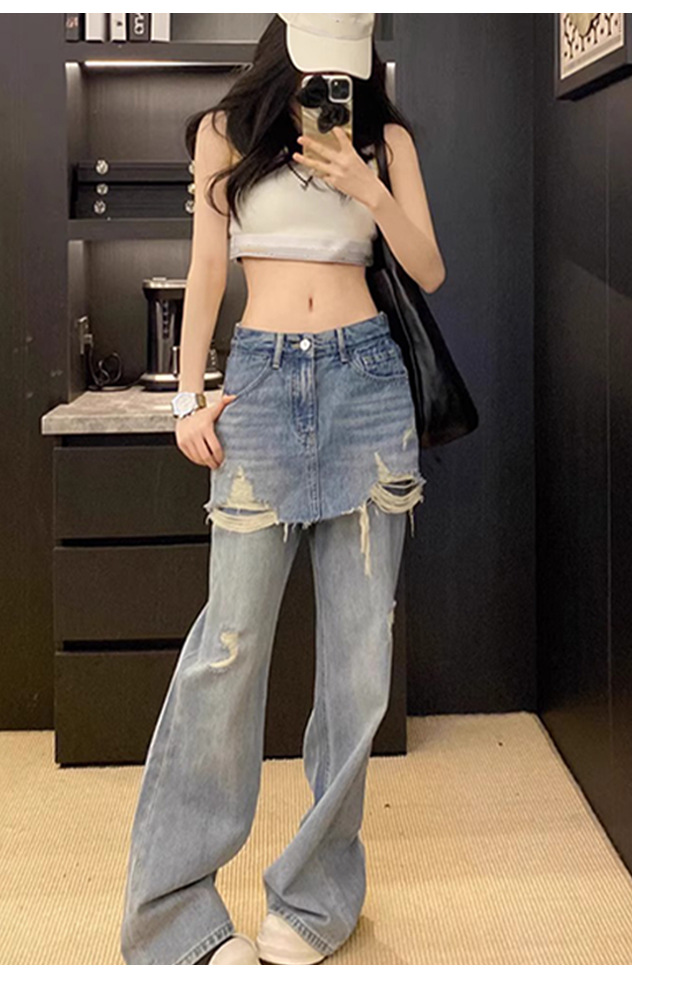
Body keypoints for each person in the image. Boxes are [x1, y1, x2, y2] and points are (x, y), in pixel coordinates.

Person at [119, 13, 445, 965]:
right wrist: (187, 395)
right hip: (260, 385)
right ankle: (173, 914)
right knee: (227, 649)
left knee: (359, 667)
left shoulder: (386, 137)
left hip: (368, 384)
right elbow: (205, 265)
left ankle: (314, 898)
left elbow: (428, 268)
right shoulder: (225, 131)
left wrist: (366, 186)